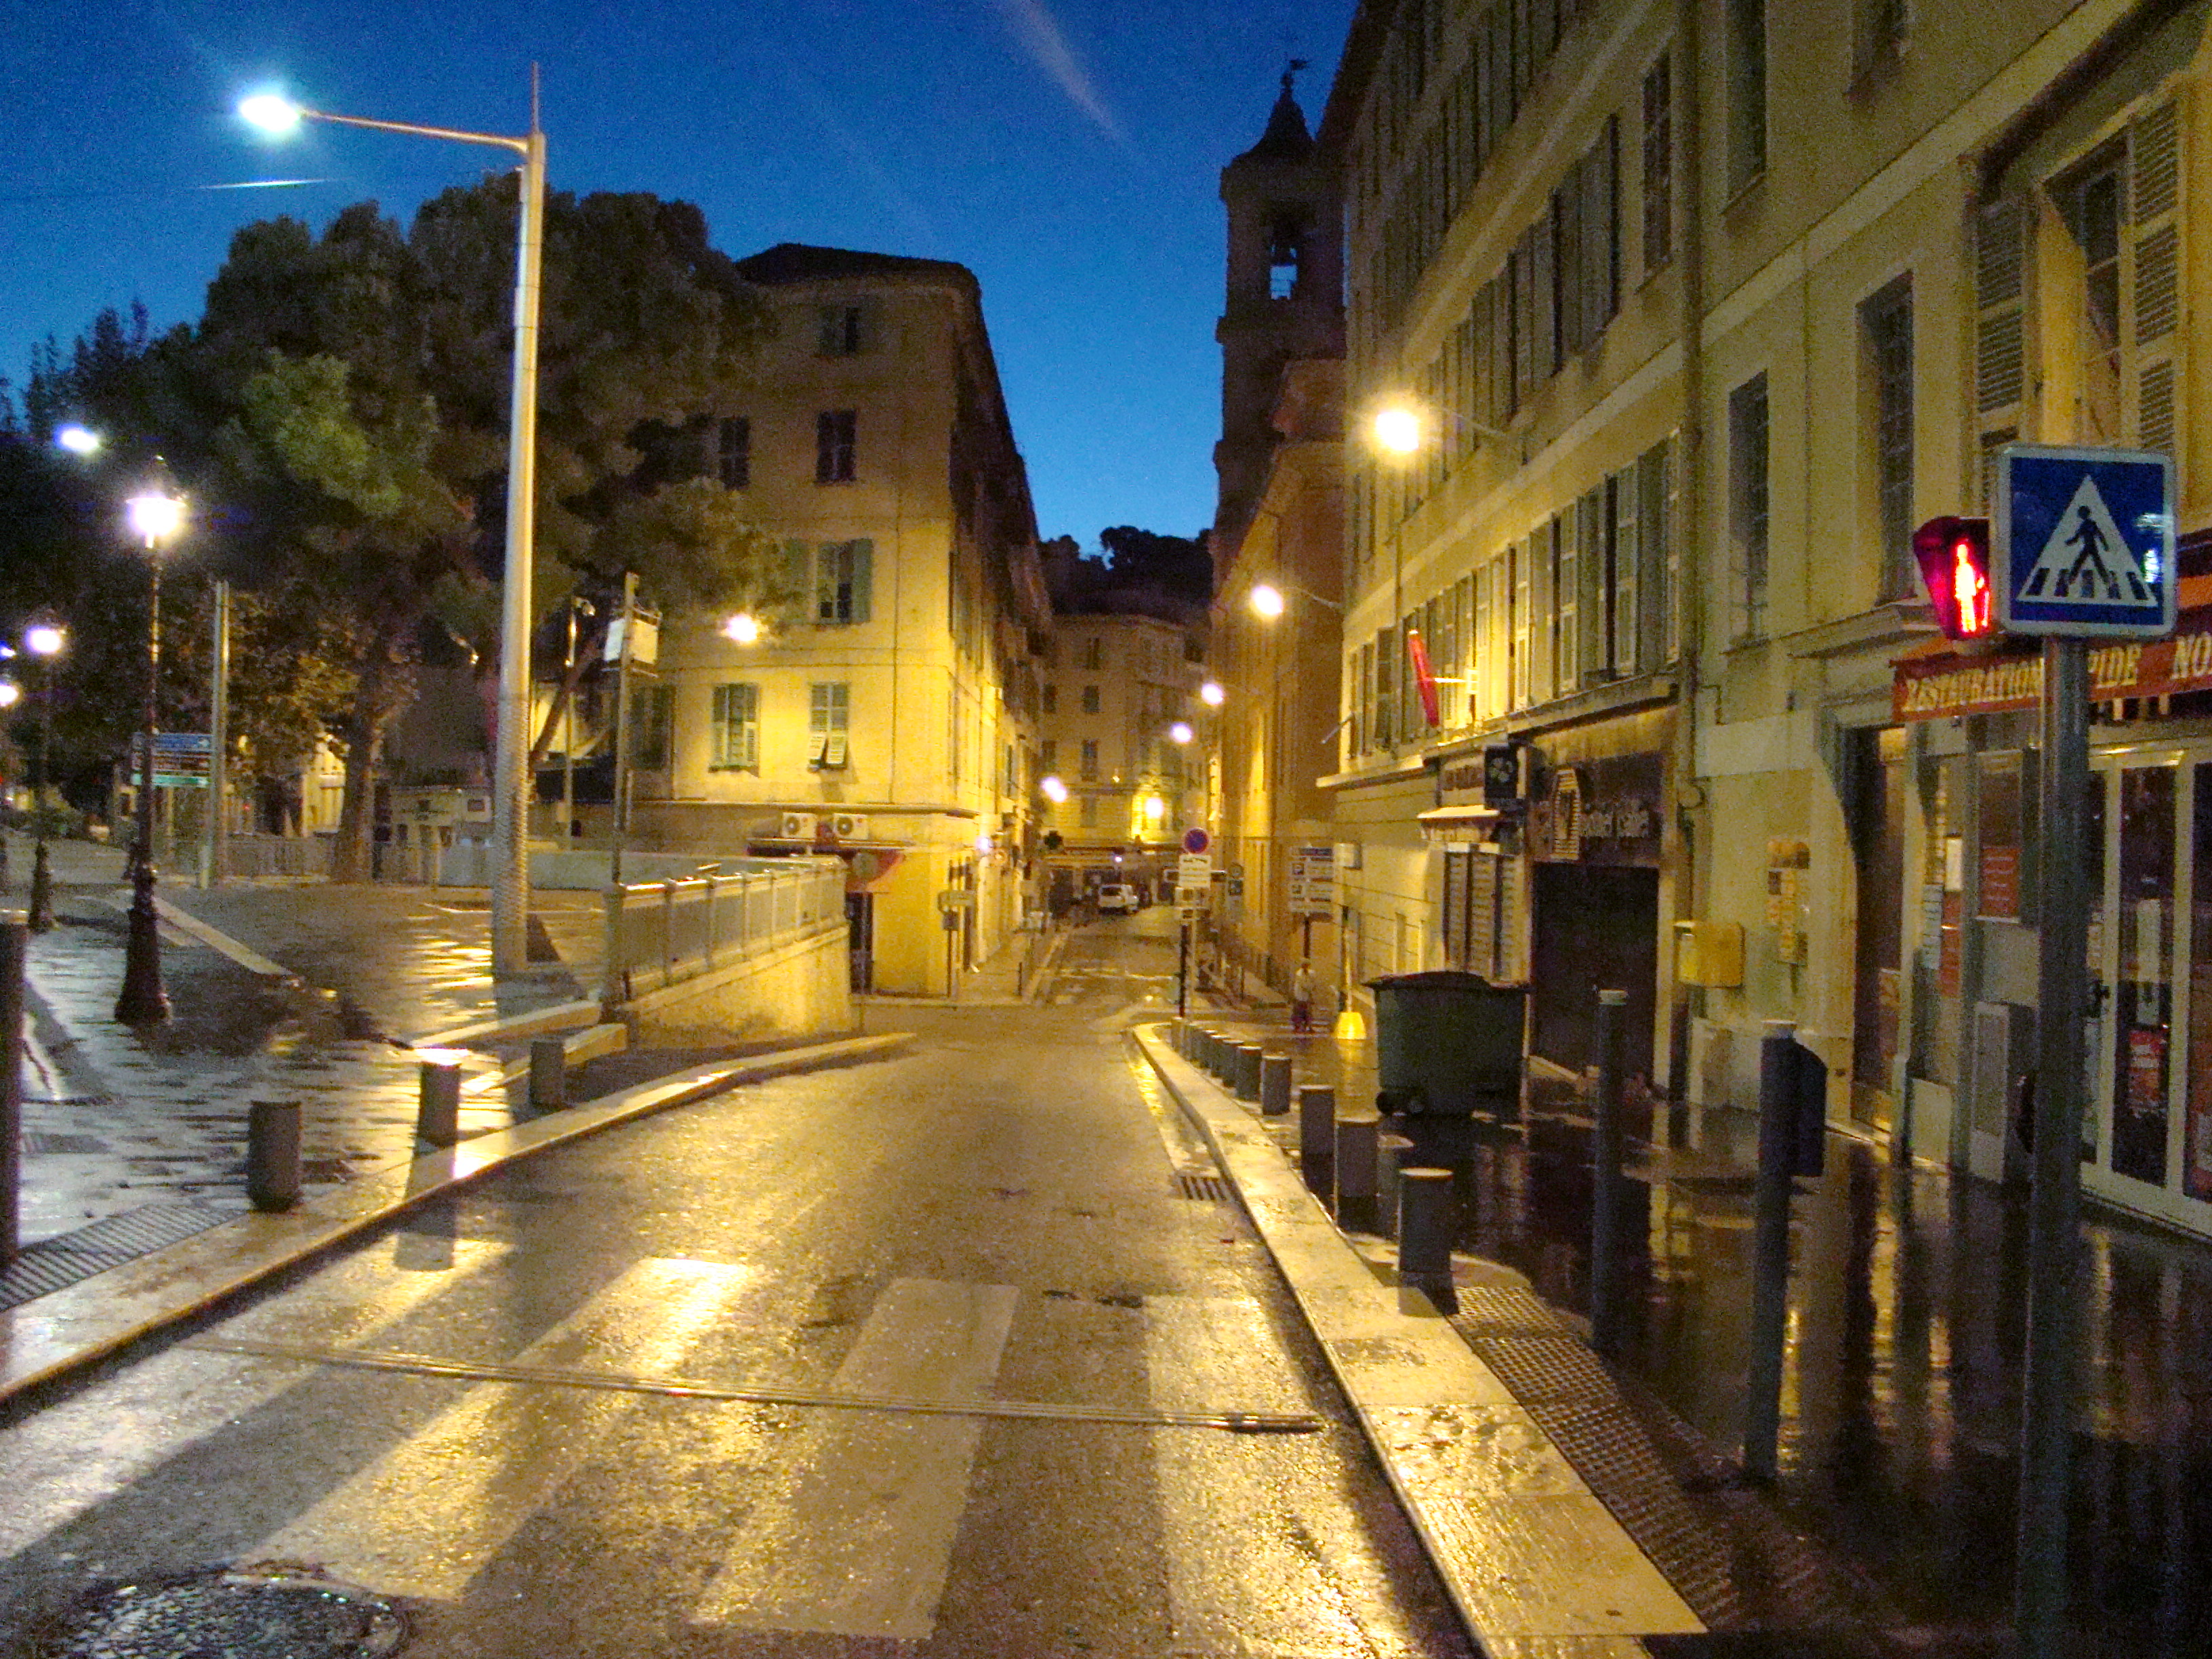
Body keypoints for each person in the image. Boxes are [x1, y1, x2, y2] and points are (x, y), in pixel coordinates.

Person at [1290, 960, 1316, 1034]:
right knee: (1299, 1011)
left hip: (1307, 995)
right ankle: (1298, 1026)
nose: (1306, 967)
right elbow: (1304, 985)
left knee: (1308, 1012)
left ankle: (1309, 1026)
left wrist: (1311, 990)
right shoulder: (1299, 974)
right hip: (1300, 995)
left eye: (1307, 965)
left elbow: (1313, 982)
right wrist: (1310, 989)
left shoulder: (1311, 973)